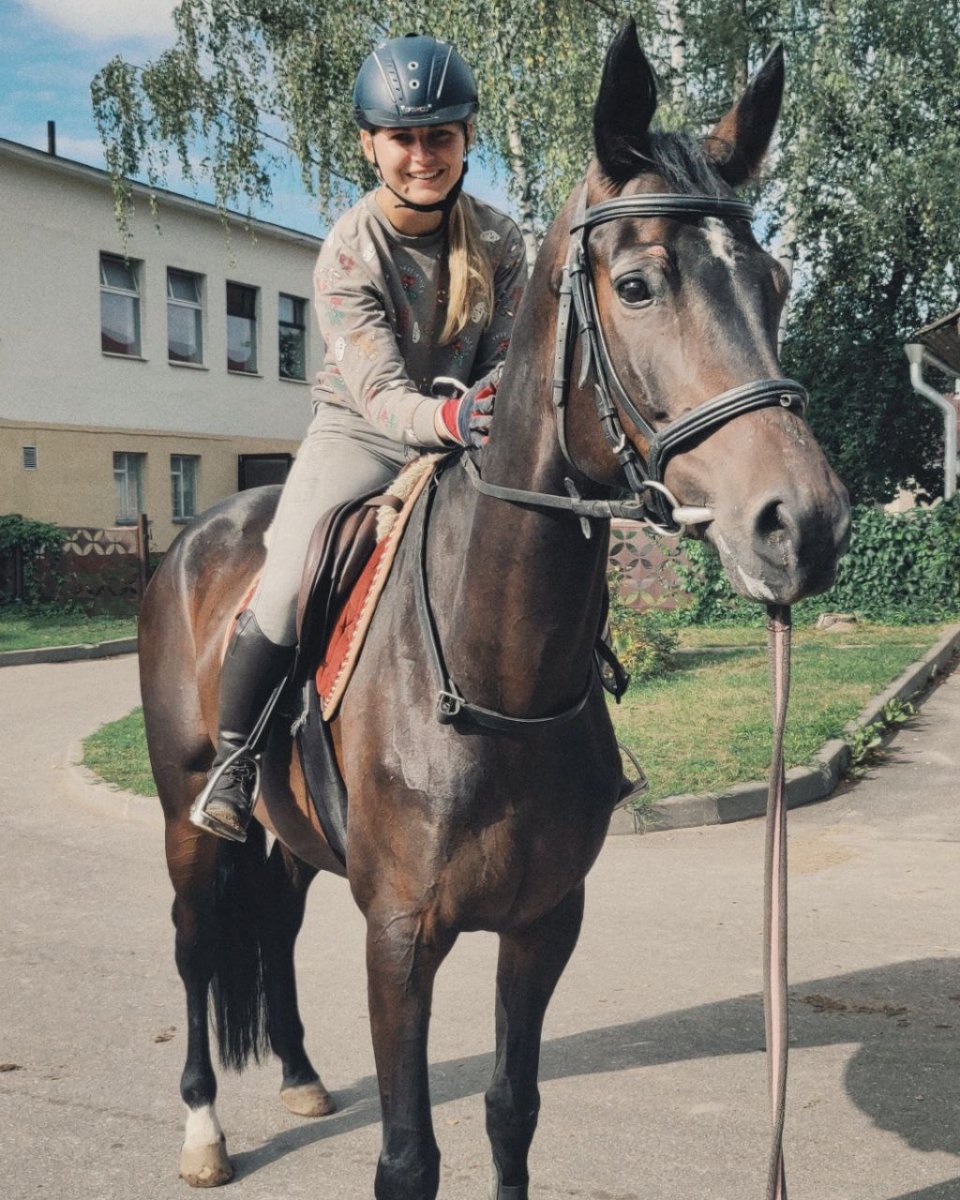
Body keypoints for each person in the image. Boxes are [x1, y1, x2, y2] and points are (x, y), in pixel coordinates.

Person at [190, 34, 528, 842]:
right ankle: (234, 766)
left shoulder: (505, 241)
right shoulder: (349, 247)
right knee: (284, 578)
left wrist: (484, 413)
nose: (423, 155)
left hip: (470, 432)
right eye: (404, 138)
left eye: (440, 135)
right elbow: (378, 390)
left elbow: (513, 357)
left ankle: (583, 742)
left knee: (546, 539)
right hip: (362, 434)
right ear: (369, 143)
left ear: (467, 137)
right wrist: (446, 420)